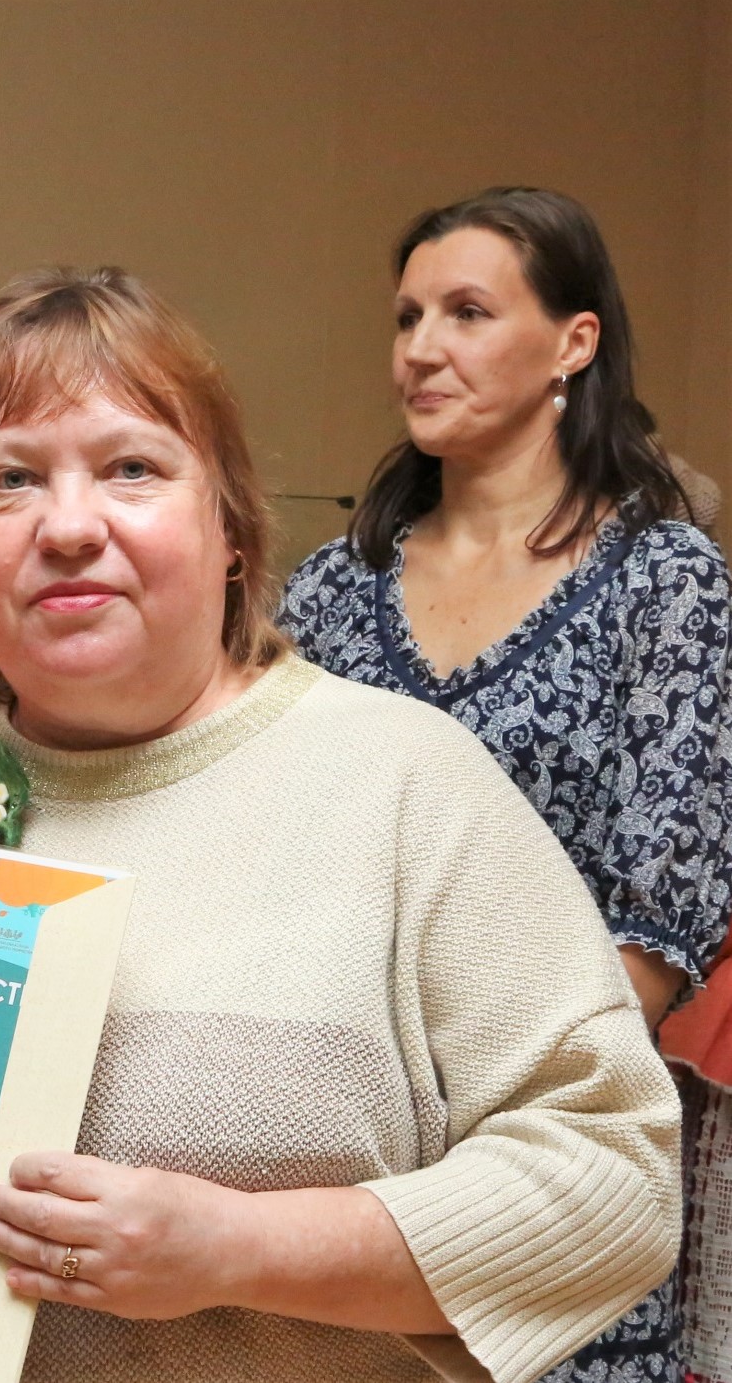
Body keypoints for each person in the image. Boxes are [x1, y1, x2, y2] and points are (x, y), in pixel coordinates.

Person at [0, 265, 684, 1383]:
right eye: (11, 479)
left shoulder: (407, 783)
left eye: (132, 469)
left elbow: (617, 1177)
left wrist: (242, 1249)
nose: (68, 526)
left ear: (230, 530)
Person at [279, 186, 732, 1383]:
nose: (421, 349)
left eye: (468, 313)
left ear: (573, 343)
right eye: (408, 317)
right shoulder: (329, 590)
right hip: (336, 1160)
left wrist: (472, 1128)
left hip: (559, 1165)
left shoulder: (666, 583)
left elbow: (663, 912)